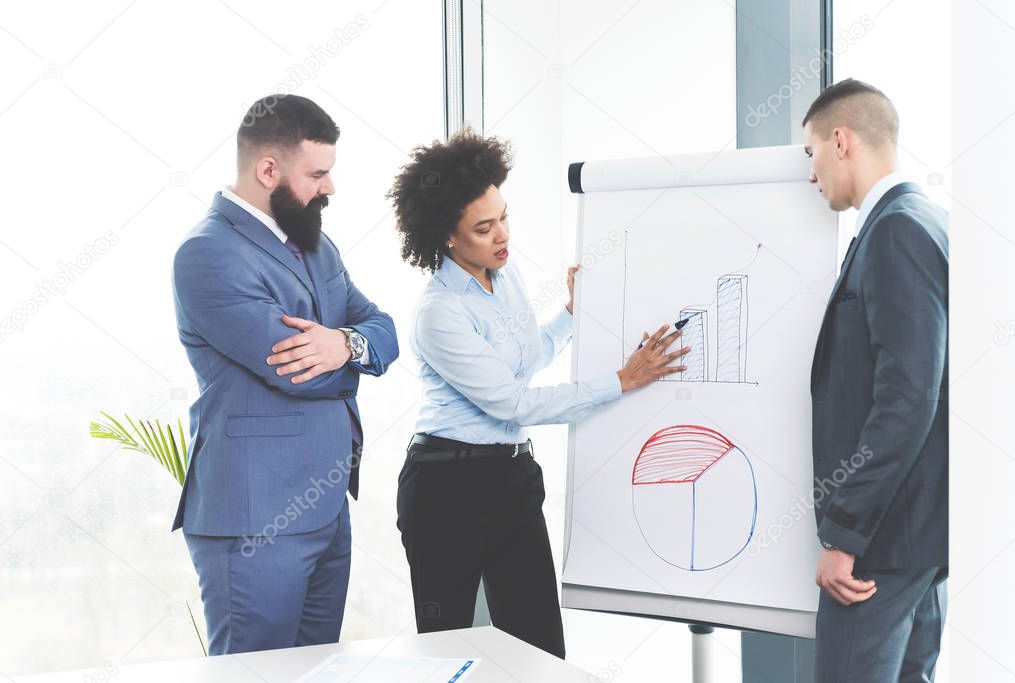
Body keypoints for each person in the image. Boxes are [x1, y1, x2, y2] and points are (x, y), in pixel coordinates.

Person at [387, 129, 688, 658]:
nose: (503, 235)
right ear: (448, 237)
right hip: (445, 487)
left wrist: (571, 313)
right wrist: (621, 380)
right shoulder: (439, 313)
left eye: (504, 216)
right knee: (449, 650)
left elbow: (527, 359)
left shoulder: (505, 276)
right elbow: (513, 403)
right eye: (484, 227)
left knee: (541, 650)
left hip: (510, 477)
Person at [171, 94, 398, 654]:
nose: (330, 188)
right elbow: (298, 371)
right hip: (255, 519)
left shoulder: (317, 248)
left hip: (324, 510)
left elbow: (383, 328)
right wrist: (352, 355)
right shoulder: (207, 254)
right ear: (267, 170)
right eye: (317, 174)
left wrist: (343, 342)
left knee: (314, 669)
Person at [803, 79, 948, 681]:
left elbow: (908, 398)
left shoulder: (897, 231)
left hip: (882, 543)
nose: (811, 174)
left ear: (841, 140)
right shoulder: (924, 219)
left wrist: (844, 533)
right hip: (916, 537)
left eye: (810, 153)